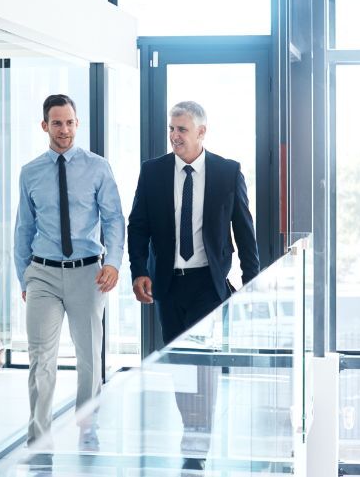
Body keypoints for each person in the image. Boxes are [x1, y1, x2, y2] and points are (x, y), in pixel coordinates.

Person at [127, 100, 260, 469]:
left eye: (182, 129)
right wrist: (139, 271)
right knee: (179, 363)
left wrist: (252, 284)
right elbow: (138, 226)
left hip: (208, 284)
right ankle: (192, 426)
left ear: (201, 132)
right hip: (168, 284)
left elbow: (245, 234)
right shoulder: (152, 172)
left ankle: (197, 439)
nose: (174, 136)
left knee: (205, 364)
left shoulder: (227, 172)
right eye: (171, 128)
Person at [14, 94, 125, 448]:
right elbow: (23, 228)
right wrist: (24, 276)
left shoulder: (98, 167)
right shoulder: (30, 172)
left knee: (89, 356)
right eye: (57, 123)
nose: (64, 129)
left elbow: (113, 219)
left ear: (78, 124)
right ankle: (39, 438)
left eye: (70, 122)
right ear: (45, 126)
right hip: (42, 274)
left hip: (87, 274)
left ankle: (86, 428)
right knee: (40, 359)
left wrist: (113, 262)